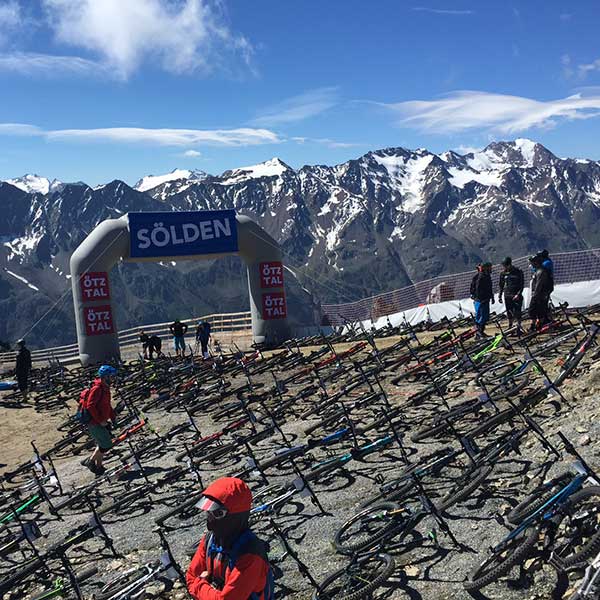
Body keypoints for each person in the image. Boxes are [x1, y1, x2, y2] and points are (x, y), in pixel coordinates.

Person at [186, 477, 271, 600]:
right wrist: (210, 590)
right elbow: (190, 577)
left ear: (236, 516)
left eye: (217, 513)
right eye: (208, 512)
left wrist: (200, 584)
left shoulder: (250, 553)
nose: (210, 519)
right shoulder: (210, 539)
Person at [81, 365, 118, 476]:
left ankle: (99, 467)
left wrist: (113, 417)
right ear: (105, 377)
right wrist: (100, 421)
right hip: (94, 422)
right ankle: (90, 461)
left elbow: (107, 405)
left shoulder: (105, 389)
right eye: (111, 377)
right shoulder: (97, 389)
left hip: (101, 420)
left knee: (102, 444)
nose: (113, 379)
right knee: (106, 444)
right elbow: (90, 406)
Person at [498, 257, 525, 335]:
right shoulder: (503, 273)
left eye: (506, 265)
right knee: (509, 311)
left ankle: (518, 327)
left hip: (516, 295)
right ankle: (510, 326)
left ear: (509, 264)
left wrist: (518, 294)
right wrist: (500, 296)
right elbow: (501, 285)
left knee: (517, 312)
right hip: (507, 295)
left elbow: (521, 284)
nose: (505, 267)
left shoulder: (518, 271)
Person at [528, 254, 554, 331]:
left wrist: (535, 295)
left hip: (539, 295)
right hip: (539, 294)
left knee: (537, 310)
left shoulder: (541, 272)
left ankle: (538, 325)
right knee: (535, 310)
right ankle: (535, 325)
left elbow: (539, 285)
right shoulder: (538, 271)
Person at [470, 262, 494, 338]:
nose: (491, 269)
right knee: (481, 316)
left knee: (484, 316)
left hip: (485, 299)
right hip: (481, 300)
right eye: (490, 267)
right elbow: (478, 289)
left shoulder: (487, 276)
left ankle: (481, 332)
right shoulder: (481, 276)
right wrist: (480, 299)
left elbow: (489, 288)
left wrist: (491, 297)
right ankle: (478, 332)